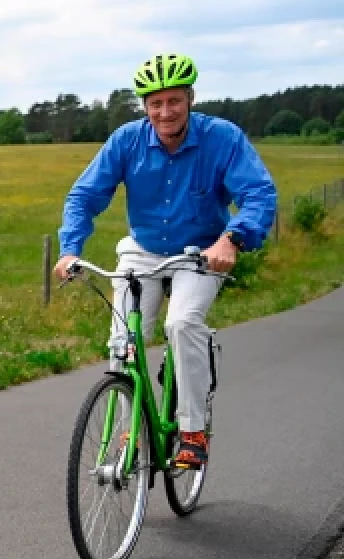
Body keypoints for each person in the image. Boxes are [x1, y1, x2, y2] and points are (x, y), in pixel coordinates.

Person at [53, 53, 276, 469]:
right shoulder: (127, 141)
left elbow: (259, 194)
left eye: (174, 101)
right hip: (144, 250)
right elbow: (84, 195)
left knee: (182, 324)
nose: (165, 112)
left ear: (190, 99)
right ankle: (129, 431)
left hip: (202, 252)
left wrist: (233, 239)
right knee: (123, 344)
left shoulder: (222, 138)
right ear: (144, 106)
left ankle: (192, 429)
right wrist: (71, 249)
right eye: (155, 103)